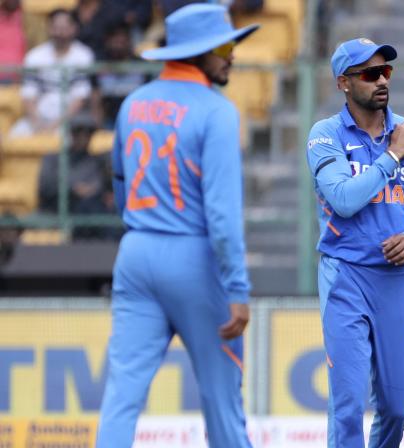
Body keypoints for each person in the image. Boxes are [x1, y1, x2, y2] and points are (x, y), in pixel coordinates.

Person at [97, 4, 258, 447]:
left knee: (122, 396)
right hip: (194, 258)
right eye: (225, 46)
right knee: (221, 397)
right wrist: (238, 288)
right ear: (199, 52)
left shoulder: (133, 103)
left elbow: (119, 179)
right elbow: (223, 217)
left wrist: (145, 225)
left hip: (136, 253)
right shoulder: (217, 111)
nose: (233, 55)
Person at [305, 38, 404, 447]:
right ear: (344, 83)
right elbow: (344, 200)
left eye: (386, 71)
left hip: (398, 281)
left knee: (397, 407)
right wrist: (391, 156)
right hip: (346, 276)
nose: (382, 80)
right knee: (348, 404)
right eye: (370, 74)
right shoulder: (325, 135)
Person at [11, 8, 94, 136]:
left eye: (64, 28)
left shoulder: (84, 56)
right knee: (15, 135)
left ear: (74, 28)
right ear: (48, 28)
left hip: (70, 121)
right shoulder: (34, 56)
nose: (59, 33)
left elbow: (80, 98)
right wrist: (38, 124)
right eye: (55, 28)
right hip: (38, 120)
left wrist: (55, 126)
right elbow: (28, 95)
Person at [37, 111, 114, 237]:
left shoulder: (97, 161)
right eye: (78, 131)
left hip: (91, 217)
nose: (83, 136)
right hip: (55, 212)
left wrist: (95, 191)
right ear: (71, 133)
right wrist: (73, 188)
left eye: (88, 132)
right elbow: (44, 186)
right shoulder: (53, 159)